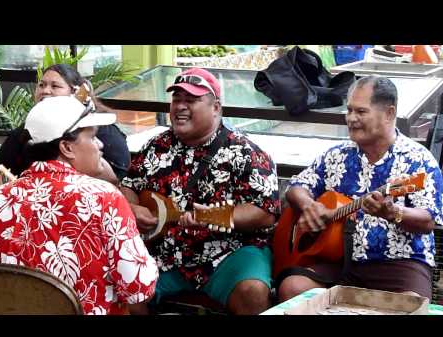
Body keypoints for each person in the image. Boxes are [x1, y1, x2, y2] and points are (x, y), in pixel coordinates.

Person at [0, 95, 158, 315]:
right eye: (93, 137)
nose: (100, 145)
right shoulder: (104, 199)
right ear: (67, 147)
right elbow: (139, 288)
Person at [120, 67, 280, 315]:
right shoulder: (156, 146)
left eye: (191, 100)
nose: (181, 106)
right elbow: (129, 186)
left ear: (216, 107)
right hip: (166, 254)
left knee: (253, 292)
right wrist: (133, 209)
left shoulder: (247, 152)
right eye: (177, 99)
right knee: (124, 291)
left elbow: (265, 212)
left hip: (228, 253)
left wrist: (212, 218)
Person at [276, 76, 443, 302]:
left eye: (361, 112)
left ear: (389, 113)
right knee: (292, 288)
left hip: (400, 263)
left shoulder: (418, 160)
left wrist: (392, 212)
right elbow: (296, 186)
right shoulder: (337, 154)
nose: (351, 118)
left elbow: (428, 220)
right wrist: (309, 205)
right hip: (340, 261)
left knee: (411, 305)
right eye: (349, 110)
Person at [0, 63, 130, 189]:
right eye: (42, 85)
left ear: (76, 93)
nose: (45, 91)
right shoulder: (28, 130)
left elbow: (114, 179)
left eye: (55, 86)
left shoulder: (100, 128)